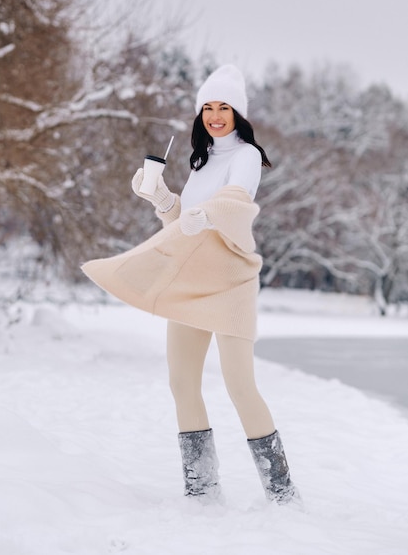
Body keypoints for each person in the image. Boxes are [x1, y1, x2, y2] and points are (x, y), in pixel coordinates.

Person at [82, 65, 298, 504]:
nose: (215, 115)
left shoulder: (246, 155)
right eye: (208, 107)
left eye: (224, 107)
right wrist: (161, 196)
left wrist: (211, 215)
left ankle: (282, 493)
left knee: (241, 386)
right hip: (192, 281)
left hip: (231, 283)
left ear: (238, 113)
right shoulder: (201, 161)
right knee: (181, 381)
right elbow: (185, 223)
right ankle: (202, 492)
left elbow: (236, 204)